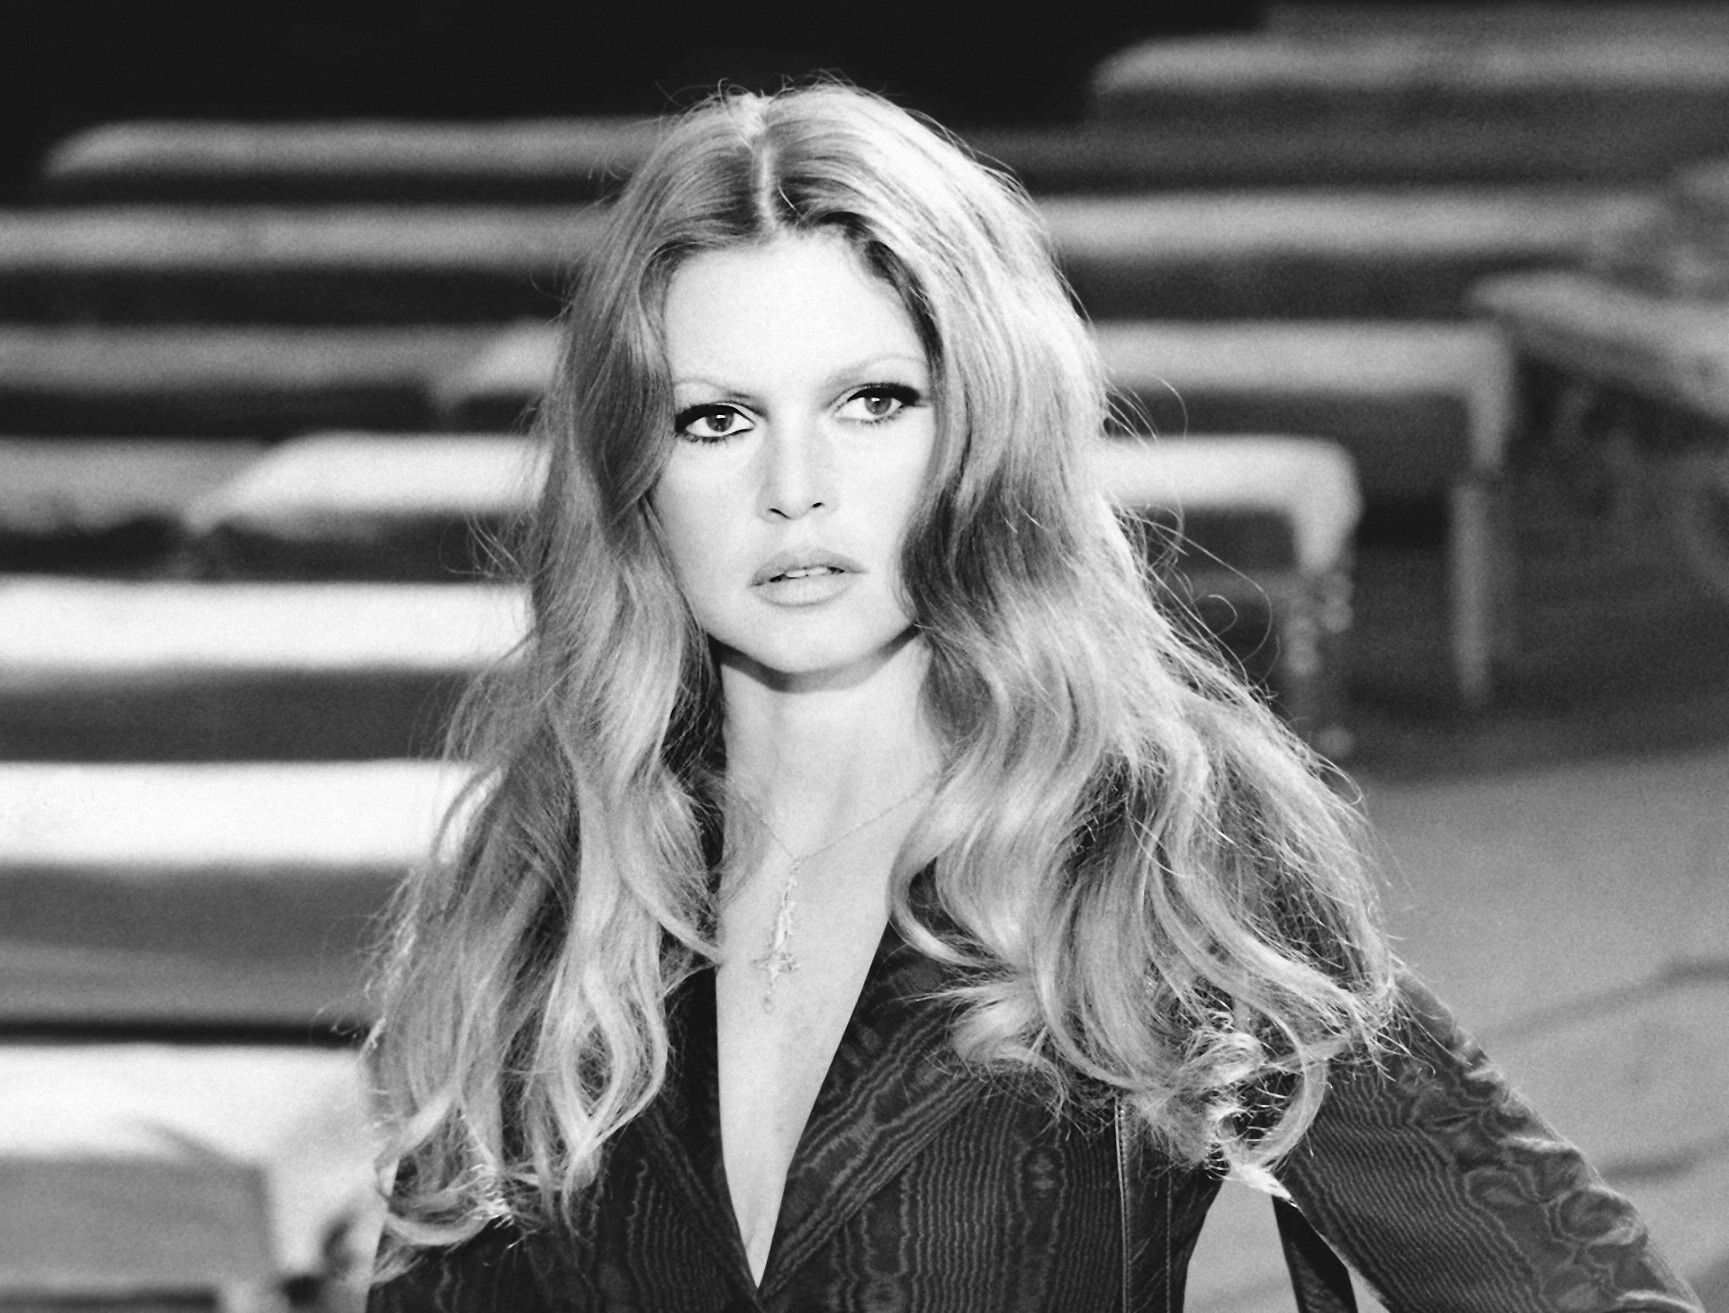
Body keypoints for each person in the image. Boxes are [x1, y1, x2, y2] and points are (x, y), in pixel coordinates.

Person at [365, 84, 1700, 1311]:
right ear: (633, 470)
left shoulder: (1147, 837)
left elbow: (1575, 1284)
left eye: (872, 401)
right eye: (715, 418)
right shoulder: (551, 864)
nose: (794, 488)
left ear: (980, 427)